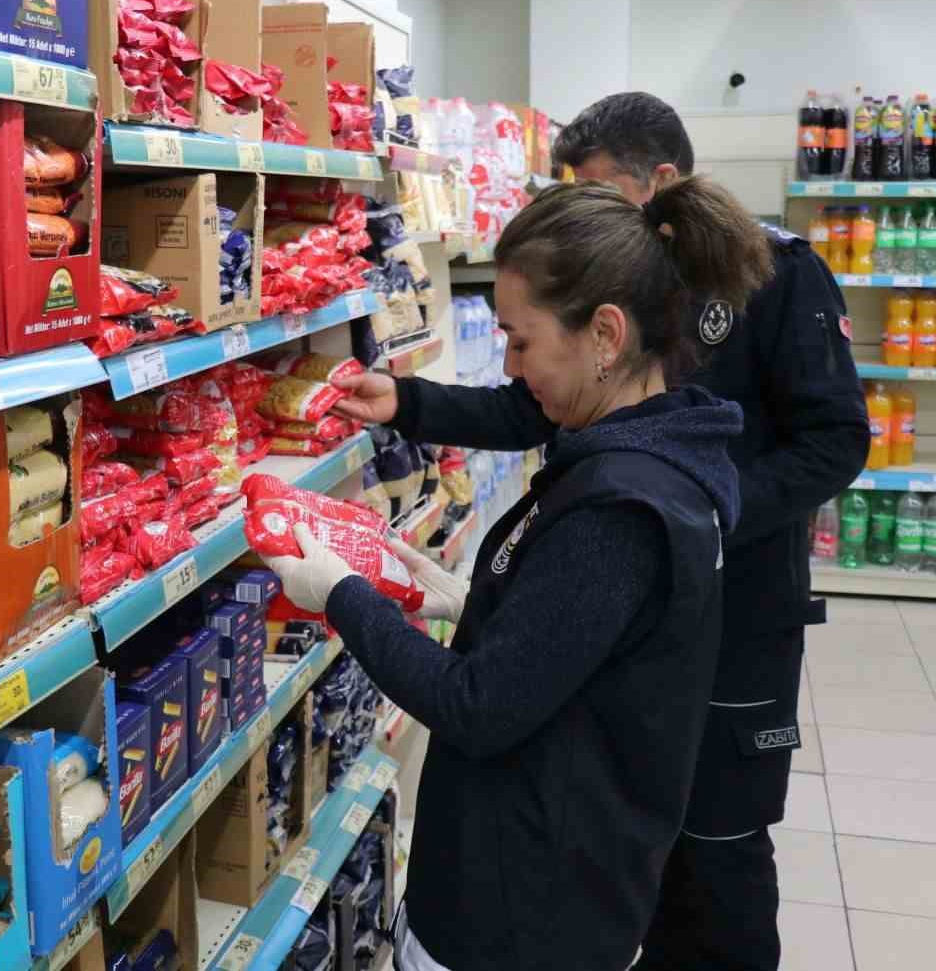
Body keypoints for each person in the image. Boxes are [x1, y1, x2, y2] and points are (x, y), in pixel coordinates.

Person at [329, 93, 869, 970]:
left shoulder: (773, 283)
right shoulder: (615, 389)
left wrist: (708, 515)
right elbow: (537, 400)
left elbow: (834, 440)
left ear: (658, 183)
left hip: (733, 617)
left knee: (717, 854)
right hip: (636, 606)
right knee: (633, 825)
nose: (590, 216)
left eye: (602, 194)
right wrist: (412, 402)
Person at [265, 176, 774, 971]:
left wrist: (339, 594)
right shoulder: (663, 457)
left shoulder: (622, 510)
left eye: (521, 340)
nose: (508, 363)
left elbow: (475, 706)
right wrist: (479, 601)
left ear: (605, 334)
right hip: (562, 884)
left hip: (520, 917)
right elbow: (595, 645)